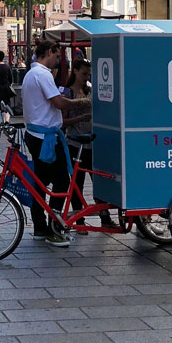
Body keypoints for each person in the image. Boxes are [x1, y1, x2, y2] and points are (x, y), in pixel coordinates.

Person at [23, 40, 90, 247]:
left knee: (40, 185)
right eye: (56, 55)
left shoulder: (30, 74)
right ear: (49, 52)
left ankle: (40, 227)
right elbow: (59, 103)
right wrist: (82, 102)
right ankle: (54, 227)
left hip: (36, 134)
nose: (58, 60)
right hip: (47, 138)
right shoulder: (43, 74)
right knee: (61, 182)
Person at [61, 59, 120, 233]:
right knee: (77, 184)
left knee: (99, 182)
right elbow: (62, 122)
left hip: (92, 142)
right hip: (75, 142)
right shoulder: (68, 93)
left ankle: (105, 218)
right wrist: (80, 118)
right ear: (75, 71)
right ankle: (79, 220)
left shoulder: (89, 91)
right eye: (84, 74)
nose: (86, 78)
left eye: (89, 75)